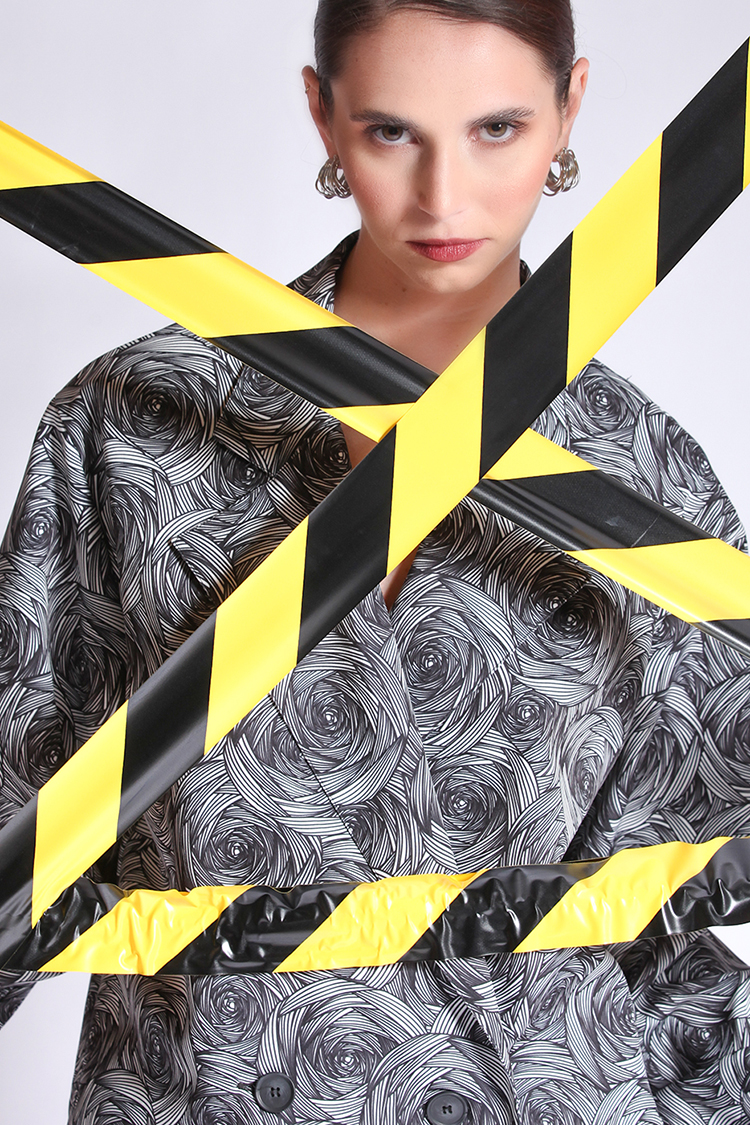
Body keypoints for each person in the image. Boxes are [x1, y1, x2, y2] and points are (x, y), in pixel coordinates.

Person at [0, 1, 749, 1122]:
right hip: (201, 1095)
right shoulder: (128, 425)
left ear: (569, 110)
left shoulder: (650, 480)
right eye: (393, 131)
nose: (443, 196)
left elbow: (683, 907)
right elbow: (17, 789)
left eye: (497, 128)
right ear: (323, 112)